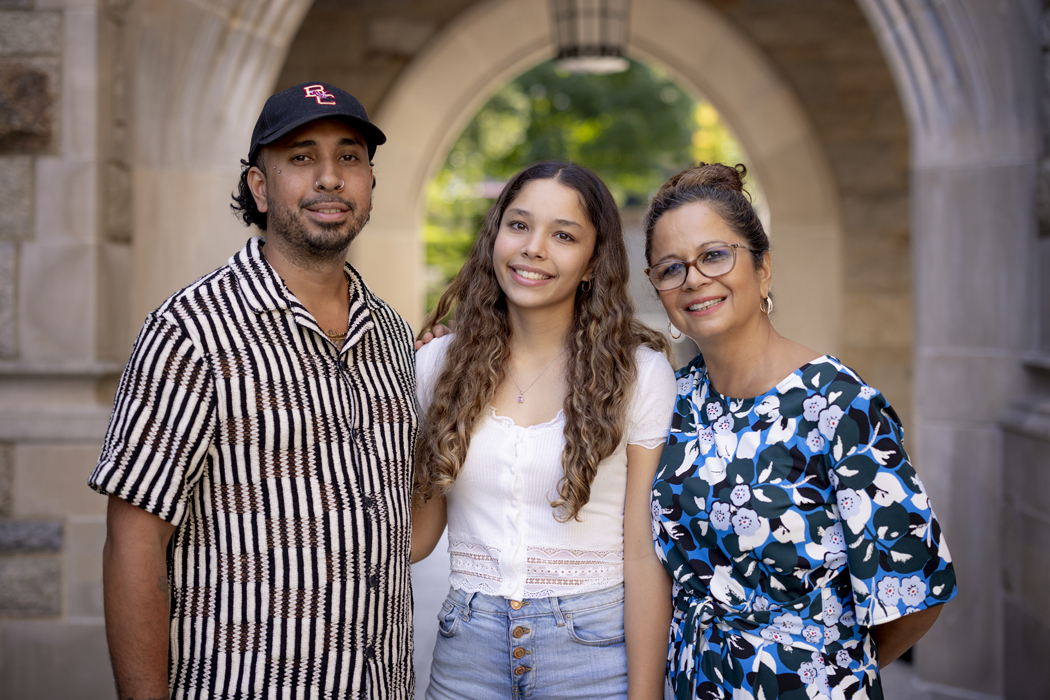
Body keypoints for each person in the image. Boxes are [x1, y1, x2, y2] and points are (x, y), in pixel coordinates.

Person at [89, 82, 418, 700]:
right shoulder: (189, 331)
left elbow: (408, 531)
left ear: (370, 181)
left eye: (349, 157)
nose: (329, 178)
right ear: (259, 187)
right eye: (300, 157)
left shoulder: (394, 339)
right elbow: (134, 545)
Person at [642, 163, 958, 700]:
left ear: (763, 268)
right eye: (670, 268)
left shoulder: (839, 403)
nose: (693, 278)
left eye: (714, 255)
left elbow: (916, 589)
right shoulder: (675, 400)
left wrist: (824, 665)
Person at [411, 161, 677, 699]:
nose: (534, 247)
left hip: (593, 655)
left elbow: (643, 554)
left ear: (590, 264)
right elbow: (419, 534)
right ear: (495, 238)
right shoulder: (438, 365)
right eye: (519, 225)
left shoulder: (640, 374)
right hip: (465, 652)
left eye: (563, 235)